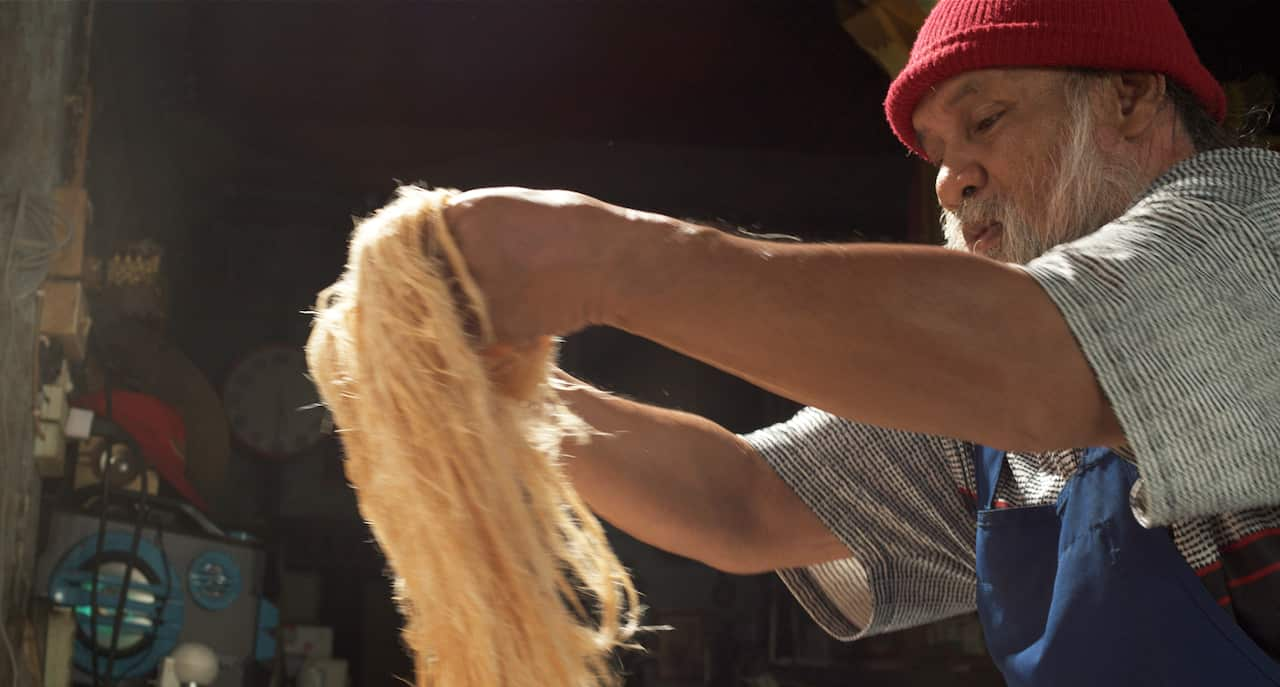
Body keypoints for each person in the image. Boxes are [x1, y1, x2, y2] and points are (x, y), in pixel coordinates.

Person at [440, 0, 1280, 684]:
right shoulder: (989, 413)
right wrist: (499, 388)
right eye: (937, 154)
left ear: (1130, 96)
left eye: (985, 120)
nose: (951, 180)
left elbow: (1043, 358)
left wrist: (604, 262)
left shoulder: (1254, 237)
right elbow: (741, 500)